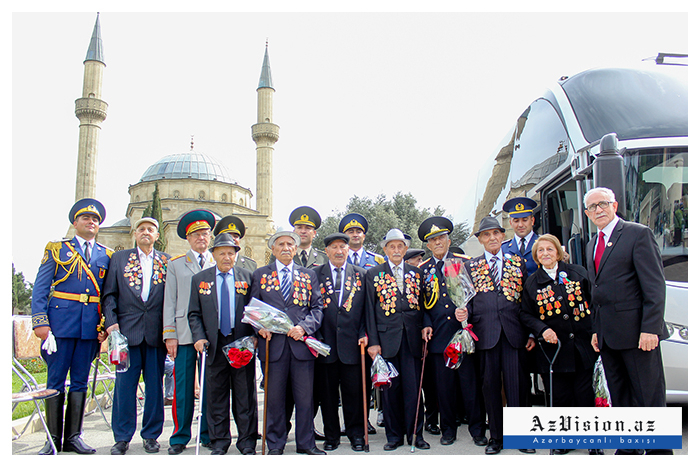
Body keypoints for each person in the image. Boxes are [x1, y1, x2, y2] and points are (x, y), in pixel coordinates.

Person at [584, 187, 671, 455]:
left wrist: (650, 329)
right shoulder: (591, 244)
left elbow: (654, 287)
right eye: (592, 207)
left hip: (638, 335)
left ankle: (659, 454)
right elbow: (596, 292)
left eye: (603, 204)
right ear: (586, 213)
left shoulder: (637, 234)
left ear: (615, 205)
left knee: (648, 397)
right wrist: (597, 330)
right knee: (620, 396)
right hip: (609, 336)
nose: (598, 210)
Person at [31, 198, 112, 455]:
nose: (91, 222)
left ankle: (74, 437)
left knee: (80, 381)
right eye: (86, 218)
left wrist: (104, 327)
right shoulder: (57, 249)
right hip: (60, 326)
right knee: (55, 380)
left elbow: (108, 294)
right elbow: (41, 288)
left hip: (89, 328)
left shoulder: (106, 254)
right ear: (75, 222)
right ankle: (53, 439)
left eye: (96, 220)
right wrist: (40, 322)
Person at [519, 234, 601, 455]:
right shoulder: (532, 282)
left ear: (558, 251)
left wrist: (595, 332)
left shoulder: (577, 273)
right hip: (553, 351)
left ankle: (593, 440)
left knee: (585, 394)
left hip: (582, 347)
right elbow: (526, 314)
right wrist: (542, 329)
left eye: (549, 249)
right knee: (560, 395)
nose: (545, 254)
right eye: (541, 251)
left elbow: (594, 304)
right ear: (536, 256)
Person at [252, 229, 325, 455]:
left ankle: (306, 443)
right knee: (274, 400)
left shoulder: (308, 275)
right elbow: (253, 309)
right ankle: (275, 444)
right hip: (273, 347)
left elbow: (317, 308)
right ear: (272, 249)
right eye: (280, 244)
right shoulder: (260, 274)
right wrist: (259, 327)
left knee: (305, 399)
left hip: (300, 346)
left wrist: (304, 327)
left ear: (295, 249)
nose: (285, 248)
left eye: (290, 244)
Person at [103, 217, 170, 455]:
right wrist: (112, 324)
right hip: (125, 336)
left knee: (154, 388)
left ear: (157, 235)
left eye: (150, 229)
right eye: (141, 229)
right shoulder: (119, 259)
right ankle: (122, 437)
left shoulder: (166, 261)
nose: (145, 232)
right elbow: (109, 294)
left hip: (155, 336)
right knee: (124, 387)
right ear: (134, 233)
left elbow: (170, 300)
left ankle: (151, 435)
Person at [418, 216, 487, 448]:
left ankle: (477, 429)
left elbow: (477, 297)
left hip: (463, 335)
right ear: (428, 245)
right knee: (444, 389)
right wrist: (426, 324)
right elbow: (421, 304)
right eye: (433, 240)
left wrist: (467, 311)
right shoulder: (423, 269)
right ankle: (448, 430)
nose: (438, 243)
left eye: (442, 238)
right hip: (439, 337)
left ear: (449, 240)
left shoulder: (464, 263)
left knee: (470, 386)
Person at [188, 233, 258, 455]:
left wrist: (255, 335)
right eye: (222, 253)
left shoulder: (248, 277)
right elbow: (193, 313)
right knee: (216, 396)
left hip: (241, 344)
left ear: (236, 255)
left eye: (231, 253)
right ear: (214, 254)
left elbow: (256, 311)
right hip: (214, 344)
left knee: (244, 395)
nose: (227, 257)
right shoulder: (200, 279)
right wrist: (198, 337)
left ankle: (246, 441)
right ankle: (219, 441)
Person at [466, 217, 528, 454]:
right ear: (480, 240)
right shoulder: (471, 266)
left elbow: (525, 300)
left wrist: (530, 332)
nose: (492, 238)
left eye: (496, 233)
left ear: (503, 235)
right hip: (485, 333)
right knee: (490, 387)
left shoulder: (517, 262)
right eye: (486, 235)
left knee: (517, 386)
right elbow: (468, 300)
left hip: (514, 332)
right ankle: (497, 438)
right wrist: (465, 316)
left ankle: (521, 437)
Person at [366, 228, 431, 451]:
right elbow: (369, 311)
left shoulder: (417, 273)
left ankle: (416, 434)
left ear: (405, 249)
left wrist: (426, 325)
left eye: (400, 246)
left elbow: (425, 305)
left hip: (413, 338)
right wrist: (373, 342)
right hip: (387, 340)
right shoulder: (373, 274)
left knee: (414, 390)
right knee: (391, 390)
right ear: (385, 249)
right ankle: (393, 436)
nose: (396, 249)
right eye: (391, 246)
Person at [162, 209, 216, 454]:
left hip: (211, 334)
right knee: (183, 389)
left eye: (205, 233)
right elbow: (170, 301)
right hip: (183, 334)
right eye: (196, 234)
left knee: (209, 387)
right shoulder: (175, 265)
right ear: (188, 238)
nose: (201, 238)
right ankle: (180, 436)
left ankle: (207, 433)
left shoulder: (218, 261)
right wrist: (169, 334)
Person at [312, 233, 369, 452]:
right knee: (327, 395)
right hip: (325, 345)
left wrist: (364, 333)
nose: (338, 251)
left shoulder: (361, 275)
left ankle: (356, 434)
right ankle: (332, 436)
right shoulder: (315, 274)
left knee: (354, 393)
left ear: (348, 250)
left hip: (353, 345)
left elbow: (366, 310)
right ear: (326, 251)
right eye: (333, 247)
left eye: (342, 247)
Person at [502, 197, 539, 275]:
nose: (520, 225)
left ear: (532, 221)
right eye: (516, 221)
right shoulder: (503, 248)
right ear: (511, 223)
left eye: (525, 220)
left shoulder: (543, 244)